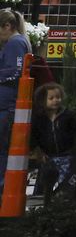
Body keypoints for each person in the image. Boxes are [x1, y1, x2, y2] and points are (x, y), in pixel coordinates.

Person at [29, 82, 76, 198]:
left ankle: (62, 201)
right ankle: (44, 201)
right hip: (47, 156)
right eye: (51, 98)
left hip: (66, 155)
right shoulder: (39, 118)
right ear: (43, 100)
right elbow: (34, 136)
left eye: (58, 97)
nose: (56, 100)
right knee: (46, 181)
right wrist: (37, 150)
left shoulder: (68, 115)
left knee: (66, 182)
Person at [0, 10, 28, 161]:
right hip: (6, 105)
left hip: (7, 106)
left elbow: (15, 72)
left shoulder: (15, 43)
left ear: (7, 26)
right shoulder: (17, 42)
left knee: (3, 150)